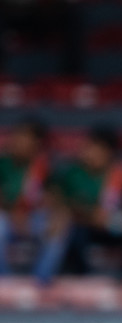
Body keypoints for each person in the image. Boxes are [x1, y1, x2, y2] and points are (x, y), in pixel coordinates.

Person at [57, 123, 122, 280]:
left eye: (93, 148)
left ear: (107, 151)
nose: (87, 152)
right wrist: (93, 217)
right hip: (88, 227)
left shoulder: (121, 174)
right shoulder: (75, 174)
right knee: (74, 234)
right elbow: (69, 206)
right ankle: (80, 275)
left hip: (113, 225)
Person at [0, 115, 66, 279]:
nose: (16, 140)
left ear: (37, 142)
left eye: (23, 137)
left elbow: (58, 201)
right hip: (8, 218)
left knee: (58, 228)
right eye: (16, 135)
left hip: (35, 219)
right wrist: (13, 211)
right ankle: (5, 280)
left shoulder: (45, 167)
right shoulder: (3, 164)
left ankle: (40, 282)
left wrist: (58, 216)